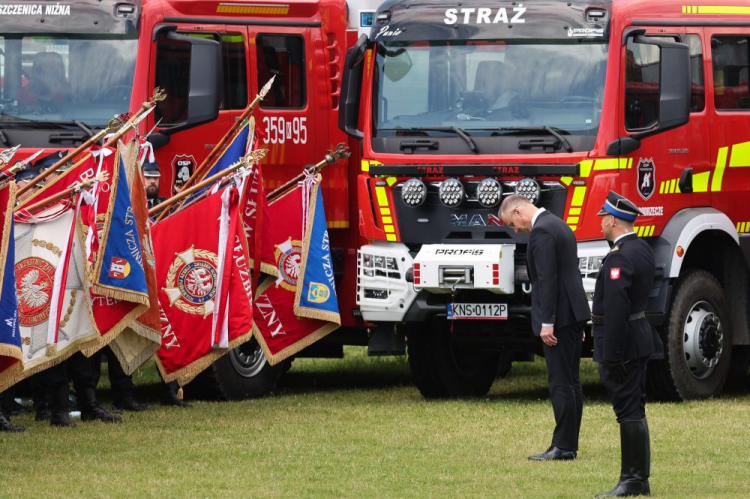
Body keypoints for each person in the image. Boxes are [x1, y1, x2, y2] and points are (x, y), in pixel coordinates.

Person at [499, 195, 590, 461]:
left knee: (561, 382)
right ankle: (567, 443)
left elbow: (547, 280)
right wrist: (575, 321)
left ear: (518, 211)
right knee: (572, 381)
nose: (515, 230)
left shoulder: (541, 232)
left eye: (511, 223)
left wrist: (547, 321)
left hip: (558, 318)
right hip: (572, 314)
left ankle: (563, 447)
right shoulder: (560, 225)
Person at [593, 192, 658, 497]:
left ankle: (633, 479)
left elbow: (617, 309)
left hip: (625, 343)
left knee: (628, 409)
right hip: (639, 336)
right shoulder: (641, 248)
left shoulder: (619, 256)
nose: (601, 224)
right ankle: (638, 478)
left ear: (613, 220)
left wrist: (612, 355)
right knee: (635, 407)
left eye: (604, 218)